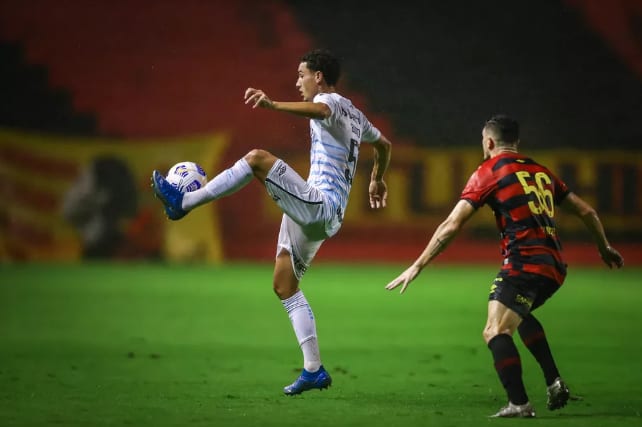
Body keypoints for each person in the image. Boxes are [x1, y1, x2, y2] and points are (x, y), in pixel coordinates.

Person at [151, 48, 392, 395]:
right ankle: (314, 370)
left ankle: (184, 202)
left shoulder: (335, 103)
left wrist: (273, 105)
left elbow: (321, 109)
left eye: (301, 75)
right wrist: (377, 178)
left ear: (319, 77)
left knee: (257, 159)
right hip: (322, 212)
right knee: (284, 285)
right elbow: (383, 144)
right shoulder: (357, 115)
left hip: (320, 206)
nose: (298, 82)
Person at [385, 114, 623, 417]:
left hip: (524, 263)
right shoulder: (541, 171)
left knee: (495, 331)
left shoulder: (489, 171)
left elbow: (451, 225)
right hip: (554, 265)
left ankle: (519, 403)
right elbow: (588, 212)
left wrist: (416, 266)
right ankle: (554, 382)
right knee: (518, 315)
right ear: (517, 142)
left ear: (488, 142)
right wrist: (604, 248)